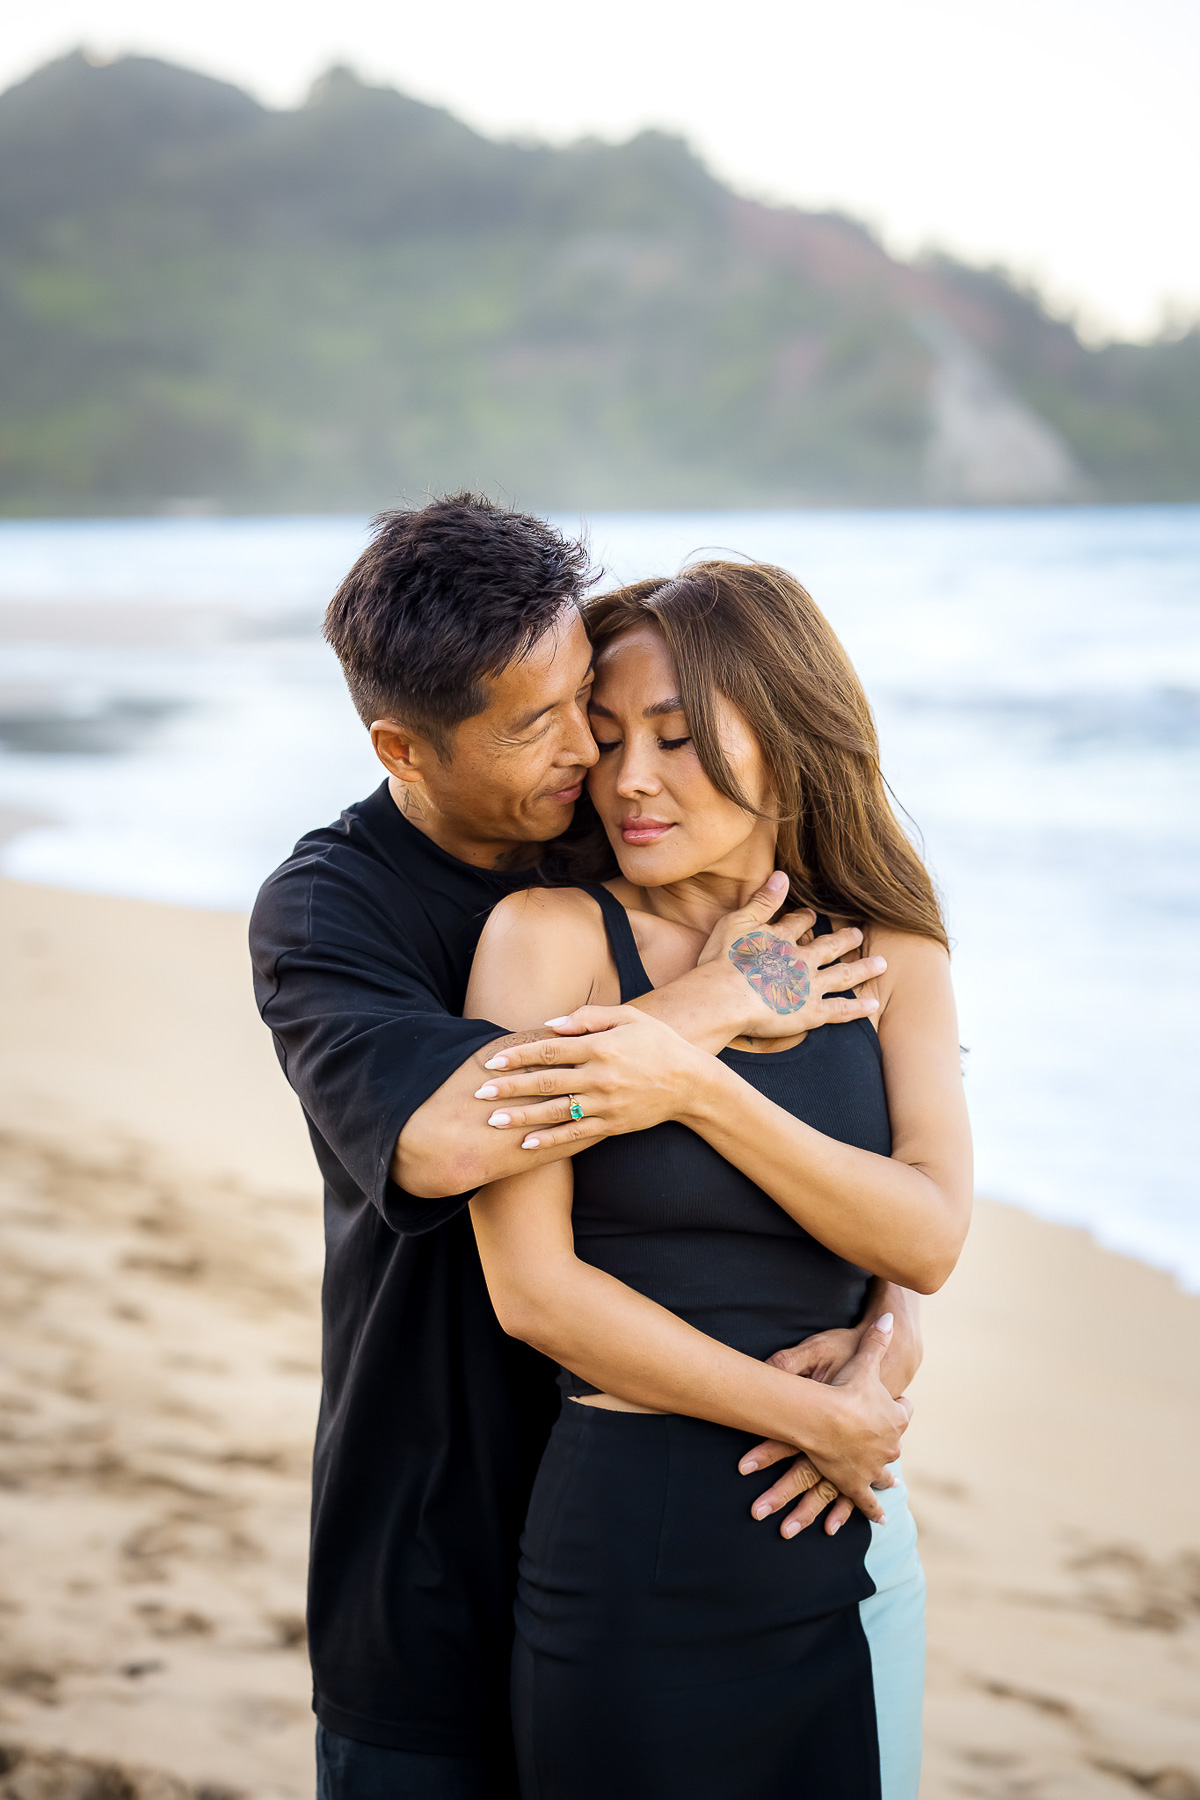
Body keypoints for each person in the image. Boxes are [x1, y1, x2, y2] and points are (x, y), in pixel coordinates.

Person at [250, 497, 924, 1800]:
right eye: (543, 724)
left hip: (666, 1506)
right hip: (438, 1534)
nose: (595, 760)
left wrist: (888, 1320)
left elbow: (877, 1125)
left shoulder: (611, 830)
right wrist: (707, 1010)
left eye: (593, 706)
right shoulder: (333, 909)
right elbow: (447, 1141)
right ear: (403, 744)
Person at [464, 563, 973, 1799]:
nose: (630, 778)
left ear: (790, 732)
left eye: (679, 738)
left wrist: (696, 1083)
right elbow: (534, 1291)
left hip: (852, 1544)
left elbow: (927, 1239)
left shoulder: (888, 953)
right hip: (636, 1546)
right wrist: (815, 1416)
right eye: (611, 736)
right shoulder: (548, 942)